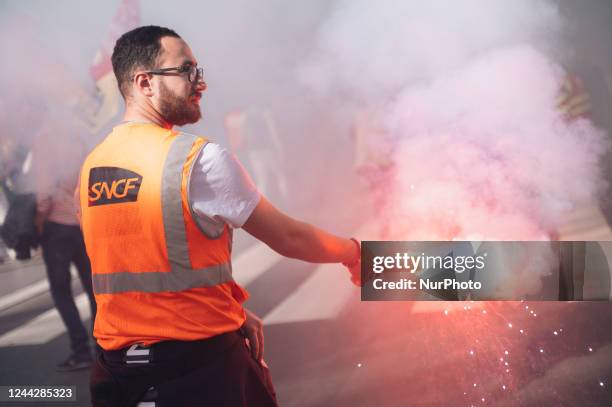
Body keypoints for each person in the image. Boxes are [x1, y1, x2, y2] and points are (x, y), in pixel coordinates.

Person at [82, 25, 361, 406]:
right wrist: (357, 253)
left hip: (119, 376)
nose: (201, 83)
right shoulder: (197, 160)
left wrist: (227, 310)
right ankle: (467, 273)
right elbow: (290, 238)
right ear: (145, 82)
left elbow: (139, 261)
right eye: (186, 71)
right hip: (197, 373)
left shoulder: (93, 166)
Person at [31, 123, 97, 371]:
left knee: (61, 291)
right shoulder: (79, 134)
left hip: (57, 225)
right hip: (83, 220)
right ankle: (102, 347)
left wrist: (37, 224)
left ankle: (81, 351)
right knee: (93, 288)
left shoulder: (45, 137)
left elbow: (44, 191)